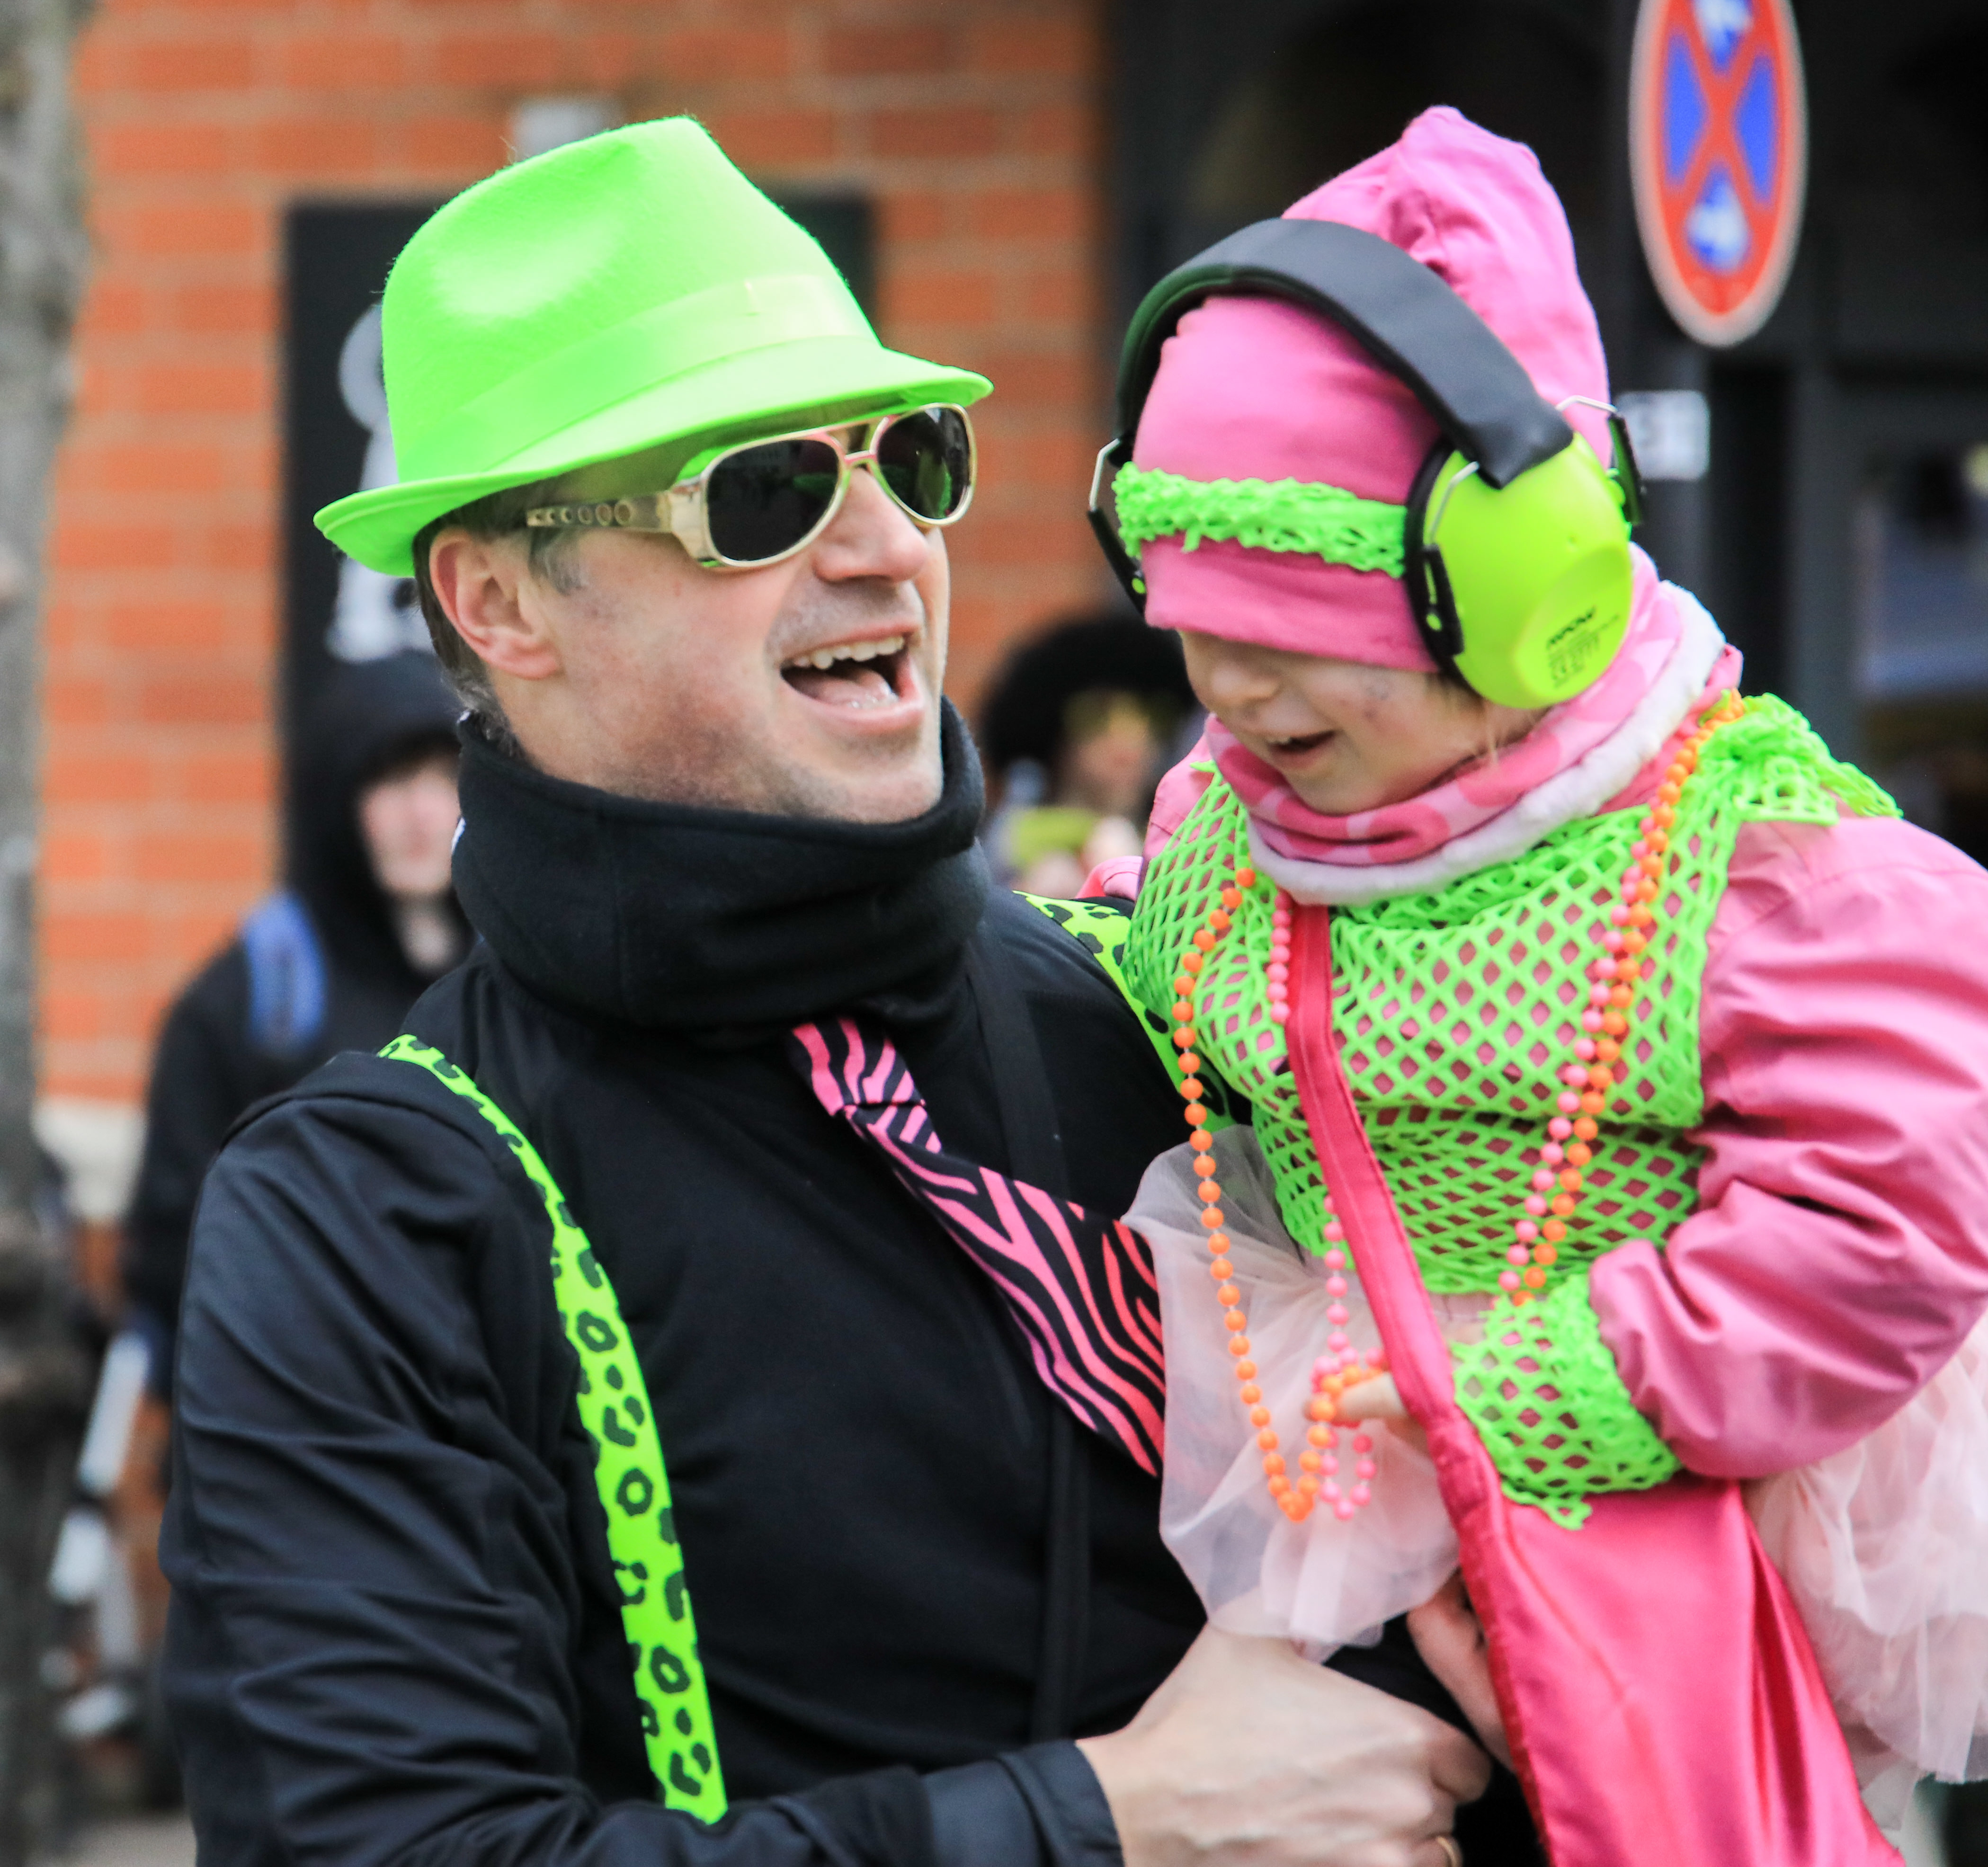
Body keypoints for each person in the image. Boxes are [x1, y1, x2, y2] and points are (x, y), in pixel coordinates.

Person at [160, 118, 1491, 1867]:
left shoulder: (1184, 1009)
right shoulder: (368, 1213)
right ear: (498, 602)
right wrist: (1110, 1821)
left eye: (910, 459)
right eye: (763, 491)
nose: (885, 545)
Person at [1087, 107, 1988, 1860]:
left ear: (1522, 590)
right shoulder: (1230, 811)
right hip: (1346, 1427)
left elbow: (1885, 1216)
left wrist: (1570, 1374)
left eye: (1297, 639)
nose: (1235, 692)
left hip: (1677, 1468)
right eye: (1193, 626)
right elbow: (1175, 984)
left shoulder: (1749, 864)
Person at [121, 649, 467, 1387]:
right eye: (391, 778)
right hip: (299, 1403)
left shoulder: (510, 980)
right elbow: (173, 1247)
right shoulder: (253, 997)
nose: (422, 813)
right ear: (335, 799)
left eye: (445, 777)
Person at [980, 616, 1197, 896]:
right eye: (1097, 717)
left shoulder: (1187, 845)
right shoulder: (1009, 844)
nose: (1129, 744)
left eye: (1153, 718)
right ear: (1054, 730)